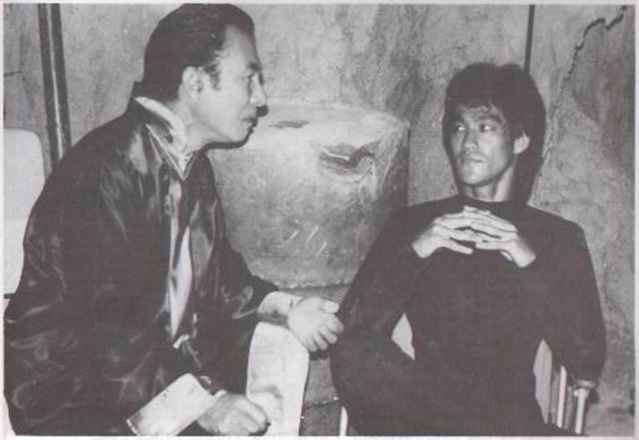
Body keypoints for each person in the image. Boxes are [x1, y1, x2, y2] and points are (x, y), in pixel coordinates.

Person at [4, 4, 343, 435]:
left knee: (269, 372)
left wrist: (289, 309)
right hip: (77, 395)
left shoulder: (190, 165)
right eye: (249, 79)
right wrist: (204, 404)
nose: (261, 99)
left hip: (147, 376)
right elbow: (108, 331)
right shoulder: (104, 172)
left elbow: (219, 277)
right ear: (195, 82)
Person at [330, 62, 606, 435]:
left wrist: (527, 259)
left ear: (520, 141)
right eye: (458, 127)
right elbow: (352, 332)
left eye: (485, 127)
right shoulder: (413, 224)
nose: (467, 142)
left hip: (508, 420)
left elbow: (586, 361)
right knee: (353, 351)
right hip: (427, 415)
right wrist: (417, 251)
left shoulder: (555, 237)